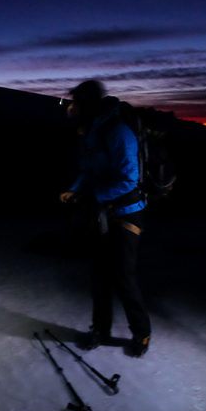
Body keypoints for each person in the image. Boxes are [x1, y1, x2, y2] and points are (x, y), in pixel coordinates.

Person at [59, 80, 151, 356]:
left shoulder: (117, 131)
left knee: (123, 278)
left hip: (126, 213)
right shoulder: (93, 132)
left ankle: (142, 334)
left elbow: (129, 180)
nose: (71, 108)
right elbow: (89, 171)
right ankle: (100, 329)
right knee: (99, 276)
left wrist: (92, 196)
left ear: (88, 104)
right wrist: (74, 190)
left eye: (74, 103)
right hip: (102, 213)